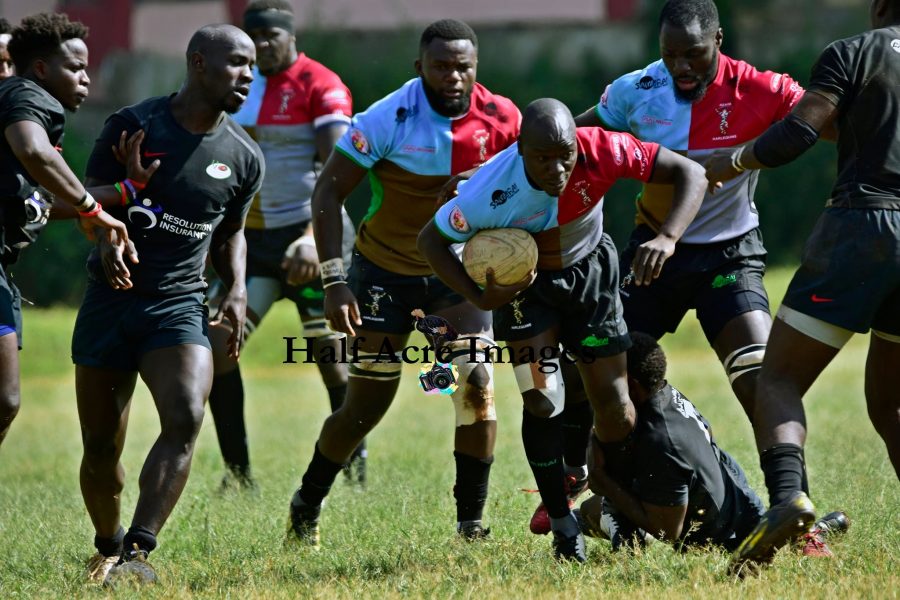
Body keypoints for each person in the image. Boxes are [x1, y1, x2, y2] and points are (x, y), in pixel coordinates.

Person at [418, 98, 707, 561]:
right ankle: (562, 523)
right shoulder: (489, 191)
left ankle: (614, 504)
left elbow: (689, 172)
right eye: (542, 157)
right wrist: (479, 296)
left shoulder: (604, 149)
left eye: (564, 154)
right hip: (527, 291)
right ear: (520, 150)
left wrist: (668, 237)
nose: (556, 168)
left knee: (614, 406)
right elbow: (430, 240)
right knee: (542, 398)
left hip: (590, 274)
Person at [285, 19, 521, 546]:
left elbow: (528, 189)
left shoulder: (504, 118)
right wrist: (333, 281)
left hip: (456, 278)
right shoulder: (387, 117)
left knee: (478, 386)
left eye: (463, 66)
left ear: (475, 67)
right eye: (441, 66)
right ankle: (307, 502)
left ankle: (470, 526)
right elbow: (328, 193)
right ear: (420, 68)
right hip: (382, 276)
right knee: (362, 410)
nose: (453, 76)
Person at [704, 0, 900, 573]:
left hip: (864, 226)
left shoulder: (855, 52)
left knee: (778, 378)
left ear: (878, 6)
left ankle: (789, 498)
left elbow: (798, 132)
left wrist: (733, 159)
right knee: (891, 403)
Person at [73, 24, 263, 585]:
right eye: (236, 62)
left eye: (253, 66)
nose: (248, 74)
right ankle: (105, 545)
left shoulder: (243, 155)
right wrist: (107, 238)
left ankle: (137, 553)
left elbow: (232, 232)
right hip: (112, 301)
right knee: (101, 448)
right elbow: (87, 201)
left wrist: (236, 287)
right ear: (198, 62)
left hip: (179, 303)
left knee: (185, 412)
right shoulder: (135, 124)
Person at [574, 0, 804, 424]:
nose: (680, 67)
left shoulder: (761, 88)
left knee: (760, 377)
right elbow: (569, 141)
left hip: (730, 253)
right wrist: (491, 172)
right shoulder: (636, 90)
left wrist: (746, 157)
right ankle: (594, 477)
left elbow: (820, 120)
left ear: (718, 39)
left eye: (693, 53)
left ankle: (789, 490)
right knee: (599, 371)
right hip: (653, 255)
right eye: (669, 54)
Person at [207, 0, 362, 491]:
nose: (263, 46)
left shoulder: (322, 84)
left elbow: (339, 175)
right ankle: (238, 474)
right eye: (254, 39)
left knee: (332, 358)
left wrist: (315, 239)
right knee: (217, 347)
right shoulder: (239, 87)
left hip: (311, 237)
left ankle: (354, 471)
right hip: (253, 245)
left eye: (272, 36)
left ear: (291, 36)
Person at [580, 332, 848, 556]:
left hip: (725, 537)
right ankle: (814, 530)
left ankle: (606, 533)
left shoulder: (660, 439)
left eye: (611, 375)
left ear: (632, 386)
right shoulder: (663, 394)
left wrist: (606, 484)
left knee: (605, 503)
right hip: (740, 502)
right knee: (593, 508)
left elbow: (667, 530)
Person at [0, 12, 135, 449]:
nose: (86, 79)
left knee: (5, 400)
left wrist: (121, 191)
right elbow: (33, 151)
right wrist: (90, 206)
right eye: (75, 68)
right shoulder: (27, 95)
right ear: (41, 68)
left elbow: (29, 203)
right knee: (5, 399)